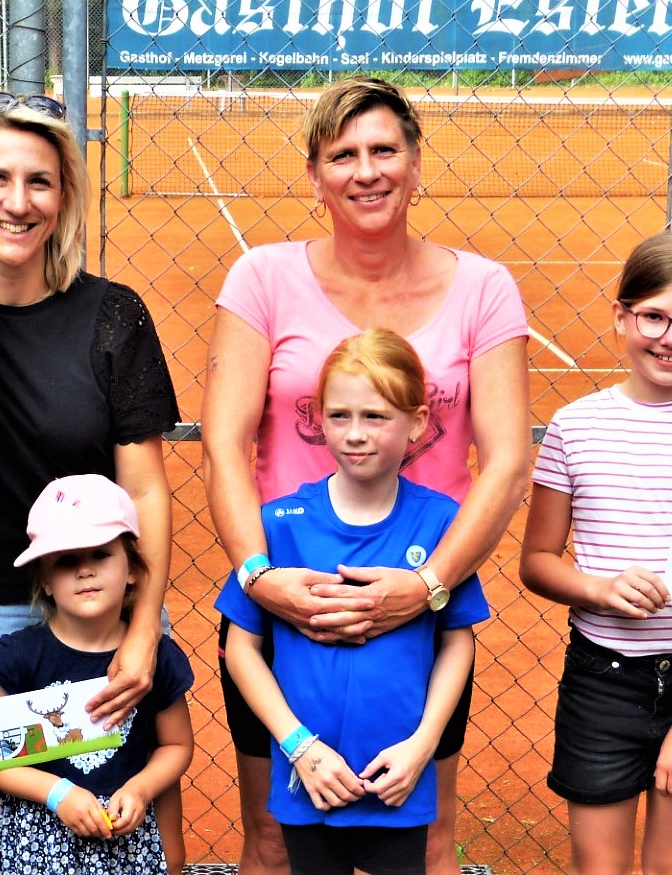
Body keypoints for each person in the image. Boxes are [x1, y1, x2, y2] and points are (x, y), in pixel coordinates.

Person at [200, 75, 530, 875]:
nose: (366, 170)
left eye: (384, 150)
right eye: (342, 155)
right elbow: (223, 444)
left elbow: (508, 460)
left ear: (416, 164)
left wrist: (428, 586)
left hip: (420, 601)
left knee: (425, 838)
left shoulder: (484, 288)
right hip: (286, 599)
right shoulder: (262, 278)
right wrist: (262, 578)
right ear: (315, 176)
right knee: (274, 838)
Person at [0, 91, 182, 873]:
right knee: (14, 834)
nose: (18, 201)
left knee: (136, 820)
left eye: (40, 180)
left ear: (64, 194)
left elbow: (147, 488)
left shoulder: (112, 316)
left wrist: (143, 629)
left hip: (102, 606)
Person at [518, 233, 672, 875]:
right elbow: (538, 560)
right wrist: (598, 589)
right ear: (621, 316)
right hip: (601, 678)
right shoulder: (574, 426)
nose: (671, 338)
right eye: (653, 317)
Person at [219, 329, 488, 875]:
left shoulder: (441, 523)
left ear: (417, 422)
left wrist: (422, 747)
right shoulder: (280, 522)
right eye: (339, 416)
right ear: (318, 418)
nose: (355, 434)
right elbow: (241, 649)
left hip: (399, 775)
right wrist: (299, 747)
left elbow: (458, 642)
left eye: (376, 416)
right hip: (310, 773)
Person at [0, 474, 195, 875]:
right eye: (65, 560)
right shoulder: (21, 655)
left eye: (100, 554)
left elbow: (177, 745)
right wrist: (57, 793)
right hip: (37, 843)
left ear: (132, 569)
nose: (84, 571)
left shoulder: (156, 658)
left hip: (126, 842)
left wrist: (140, 789)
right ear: (45, 580)